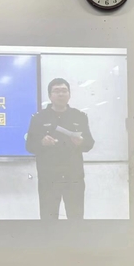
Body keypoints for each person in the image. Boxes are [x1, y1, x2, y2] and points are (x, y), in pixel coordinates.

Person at [25, 78, 95, 220]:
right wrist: (42, 142)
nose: (61, 94)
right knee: (48, 219)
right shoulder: (39, 118)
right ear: (50, 95)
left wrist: (80, 142)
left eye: (64, 91)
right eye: (56, 91)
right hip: (49, 177)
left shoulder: (79, 116)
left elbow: (89, 143)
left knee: (76, 218)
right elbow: (29, 146)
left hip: (73, 176)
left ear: (69, 94)